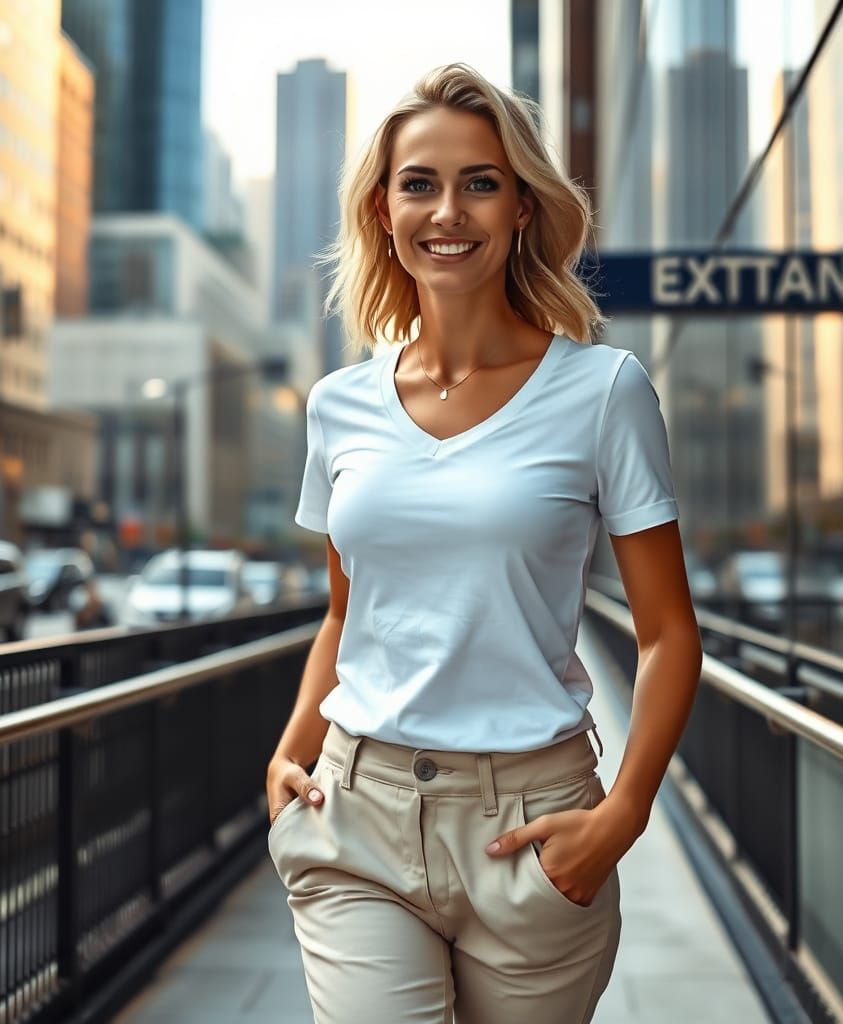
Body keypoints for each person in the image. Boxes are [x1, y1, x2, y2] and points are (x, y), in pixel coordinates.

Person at [264, 62, 703, 1024]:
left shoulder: (605, 392)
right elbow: (348, 611)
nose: (447, 210)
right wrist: (289, 751)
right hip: (357, 814)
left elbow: (669, 633)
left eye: (481, 181)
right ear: (383, 210)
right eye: (419, 183)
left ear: (520, 209)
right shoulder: (339, 407)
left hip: (533, 829)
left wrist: (618, 819)